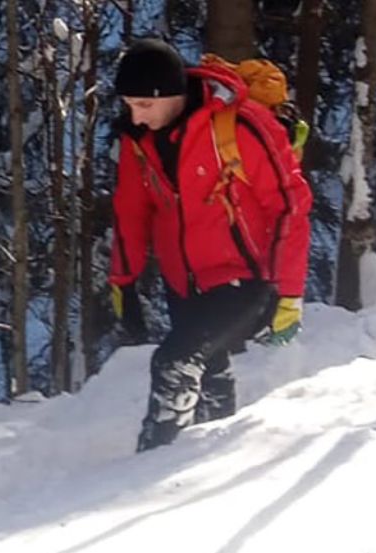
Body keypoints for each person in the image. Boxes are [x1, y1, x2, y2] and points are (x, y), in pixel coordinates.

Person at [110, 39, 314, 452]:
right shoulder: (140, 141)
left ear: (170, 95)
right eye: (129, 105)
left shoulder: (240, 125)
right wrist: (124, 280)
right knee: (209, 374)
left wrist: (289, 292)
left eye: (143, 105)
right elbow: (131, 209)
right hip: (184, 282)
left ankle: (148, 467)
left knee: (175, 362)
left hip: (248, 279)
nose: (136, 115)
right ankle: (214, 453)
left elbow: (291, 205)